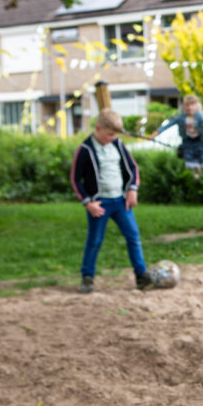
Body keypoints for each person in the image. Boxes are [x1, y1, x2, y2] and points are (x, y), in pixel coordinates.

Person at [70, 109, 153, 293]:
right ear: (98, 128)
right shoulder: (85, 150)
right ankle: (87, 277)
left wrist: (132, 189)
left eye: (115, 135)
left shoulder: (118, 144)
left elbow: (132, 168)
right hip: (99, 204)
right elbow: (75, 179)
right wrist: (87, 202)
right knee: (95, 240)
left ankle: (141, 275)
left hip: (120, 202)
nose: (112, 137)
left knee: (133, 235)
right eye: (109, 134)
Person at [167, 94, 203, 186]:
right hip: (188, 141)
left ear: (196, 106)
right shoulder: (181, 117)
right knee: (188, 163)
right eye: (187, 105)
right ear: (184, 106)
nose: (190, 108)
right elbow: (168, 124)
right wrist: (154, 134)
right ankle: (196, 168)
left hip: (201, 141)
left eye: (192, 105)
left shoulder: (199, 116)